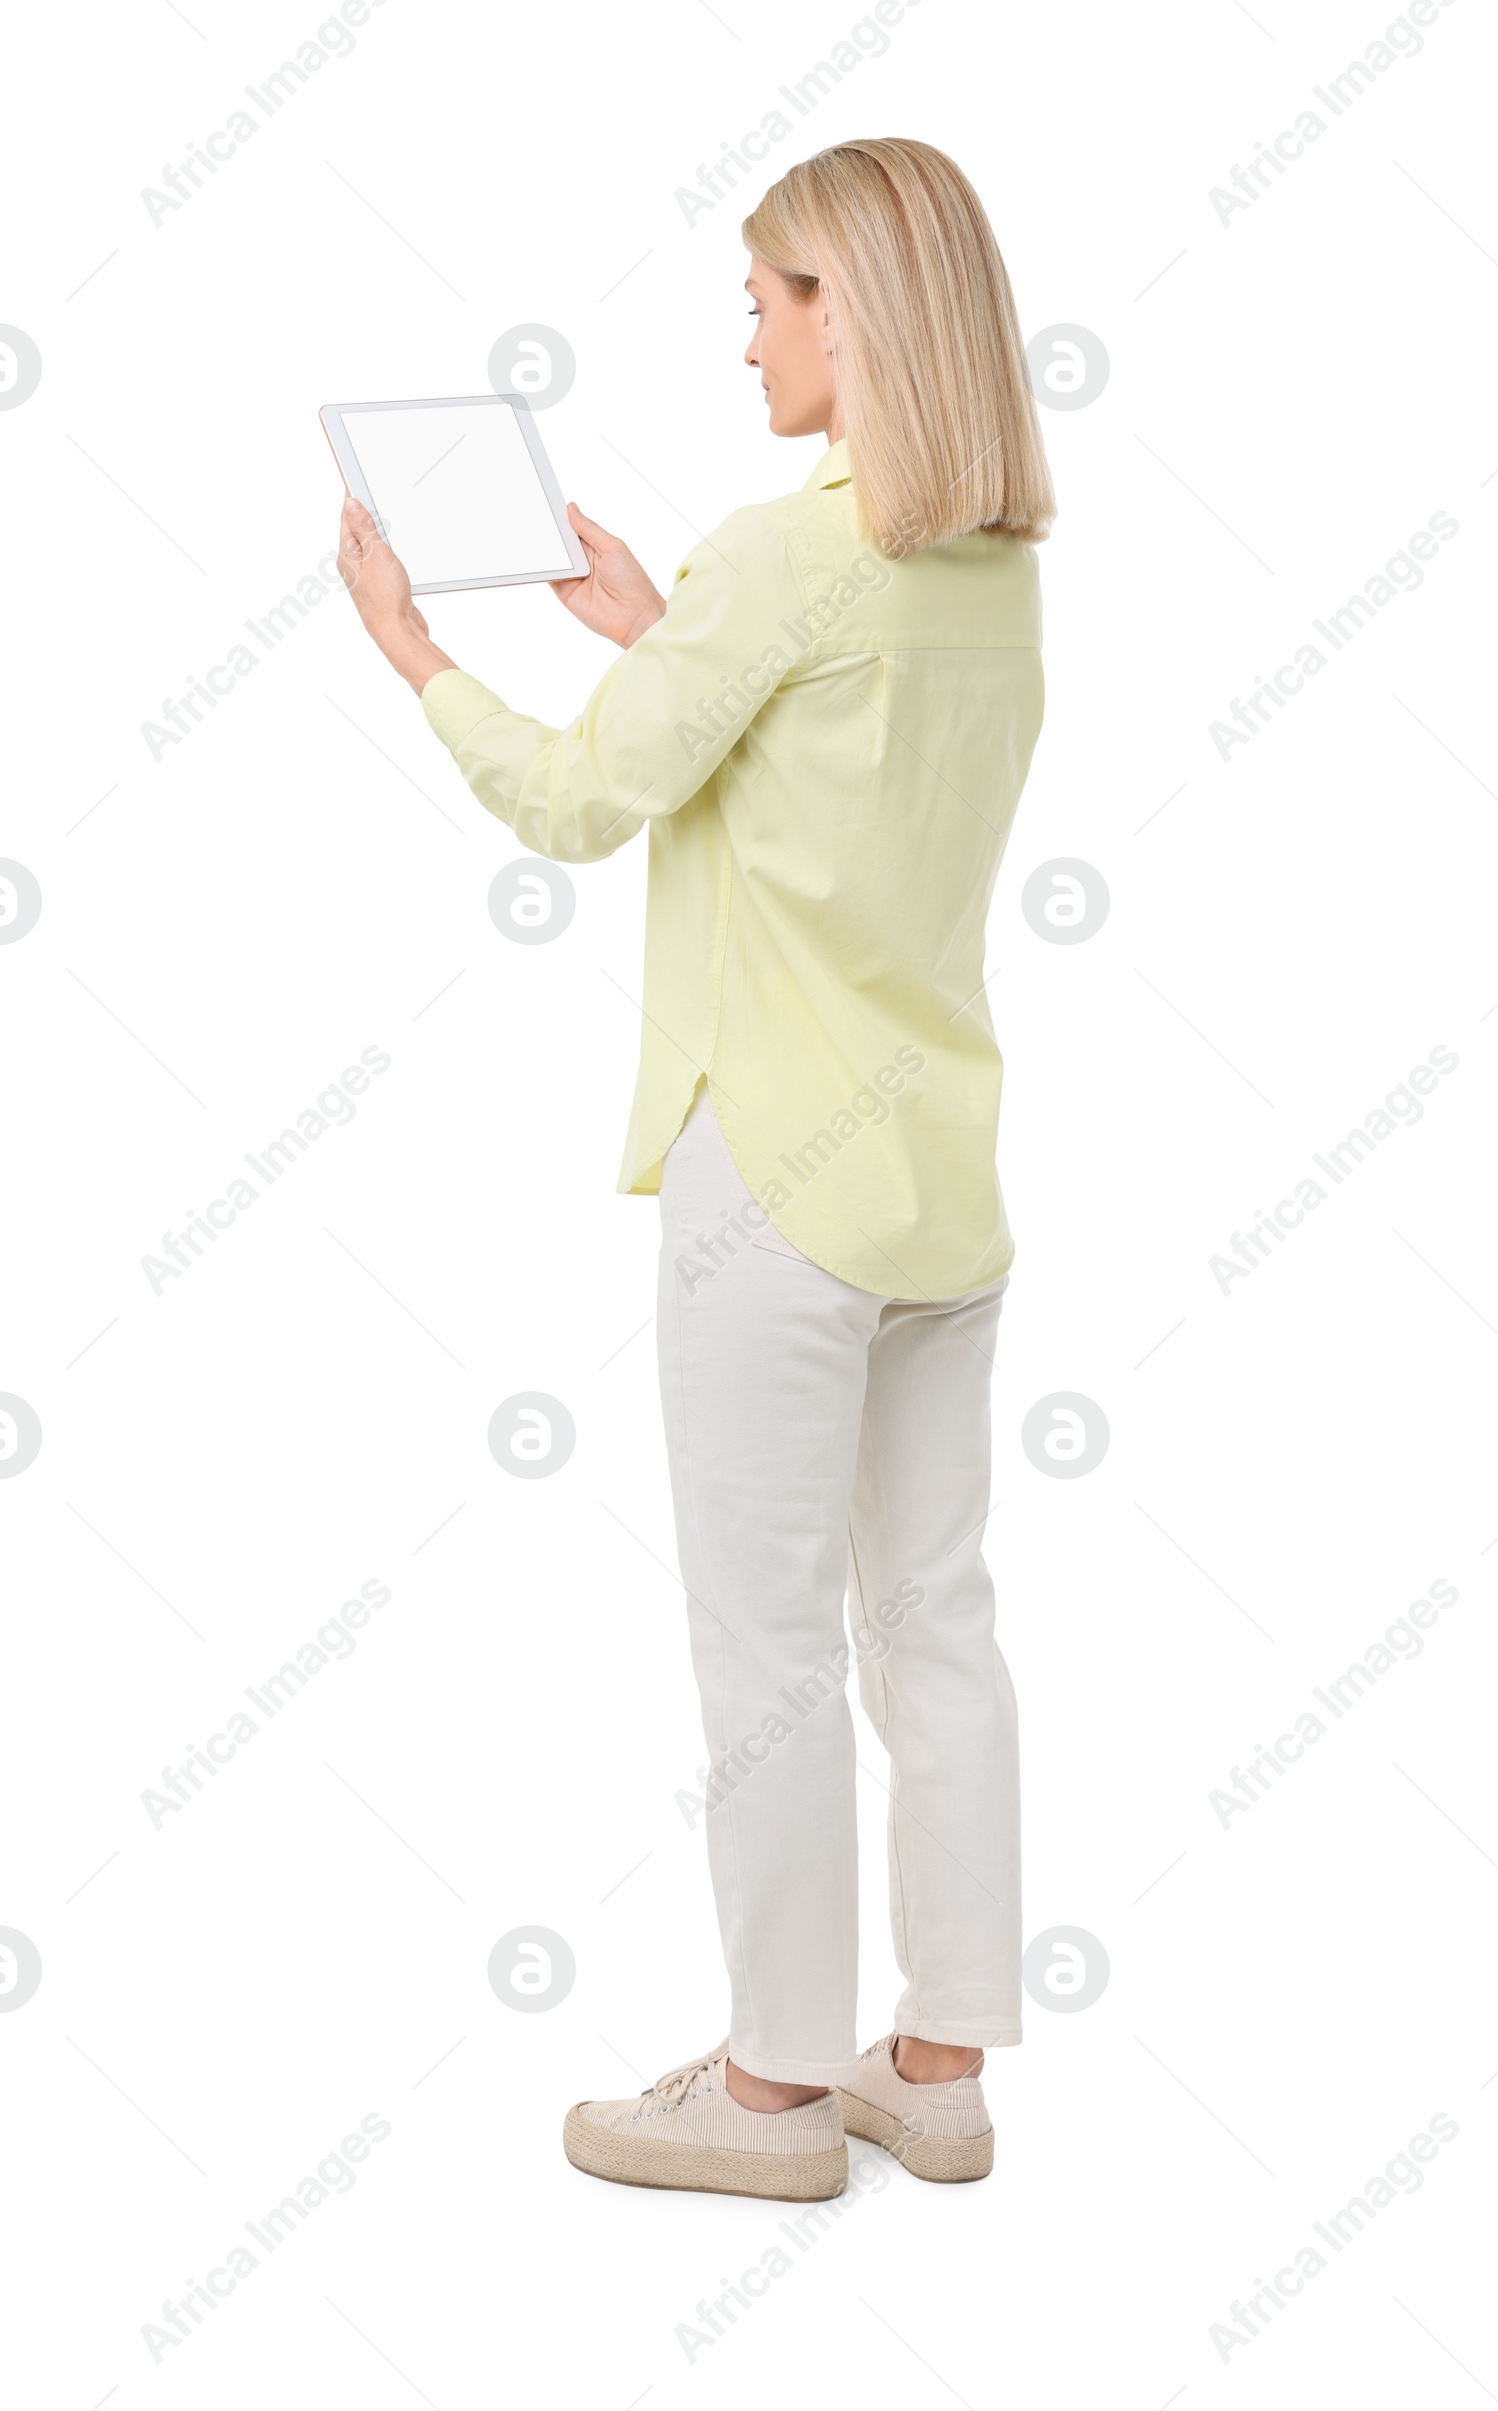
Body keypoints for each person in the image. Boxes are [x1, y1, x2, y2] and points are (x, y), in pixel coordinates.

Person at [337, 136, 1053, 2202]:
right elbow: (816, 782)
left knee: (763, 1653)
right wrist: (654, 626)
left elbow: (580, 804)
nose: (743, 326)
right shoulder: (989, 573)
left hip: (781, 1179)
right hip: (941, 1175)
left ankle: (762, 2098)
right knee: (935, 1617)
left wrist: (413, 646)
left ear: (860, 313)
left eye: (772, 292)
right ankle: (934, 2066)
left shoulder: (785, 552)